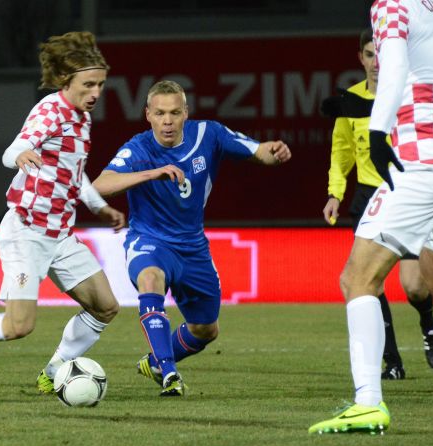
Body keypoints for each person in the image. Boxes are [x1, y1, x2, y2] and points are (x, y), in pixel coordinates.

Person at [309, 0, 433, 434]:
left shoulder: (391, 6)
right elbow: (428, 84)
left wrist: (377, 132)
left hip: (422, 162)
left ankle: (368, 403)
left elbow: (393, 69)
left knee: (357, 278)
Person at [0, 31, 125, 395]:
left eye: (100, 84)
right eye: (88, 84)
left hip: (60, 233)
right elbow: (15, 149)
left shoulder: (81, 118)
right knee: (19, 326)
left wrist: (99, 206)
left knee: (105, 306)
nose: (96, 93)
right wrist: (21, 155)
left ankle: (54, 371)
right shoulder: (50, 111)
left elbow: (73, 171)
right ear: (66, 81)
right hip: (27, 231)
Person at [92, 80, 291, 396]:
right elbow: (99, 185)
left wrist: (275, 150)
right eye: (159, 113)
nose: (167, 121)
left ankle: (156, 362)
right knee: (150, 279)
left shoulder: (208, 135)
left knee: (205, 329)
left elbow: (259, 152)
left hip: (193, 248)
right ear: (148, 115)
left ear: (186, 113)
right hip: (150, 241)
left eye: (174, 112)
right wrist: (152, 173)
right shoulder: (139, 148)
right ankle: (170, 374)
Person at [321, 28, 433, 379]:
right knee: (366, 281)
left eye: (383, 54)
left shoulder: (408, 95)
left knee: (414, 286)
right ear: (360, 58)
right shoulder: (350, 101)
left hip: (406, 195)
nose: (377, 62)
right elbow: (341, 151)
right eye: (370, 54)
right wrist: (335, 194)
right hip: (368, 197)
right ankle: (392, 363)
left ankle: (427, 322)